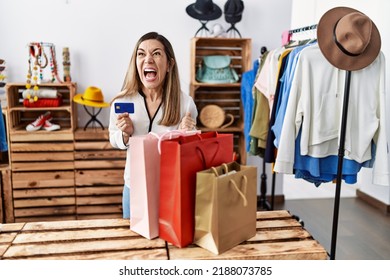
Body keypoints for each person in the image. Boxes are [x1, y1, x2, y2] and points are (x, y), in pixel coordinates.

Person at [109, 32, 198, 219]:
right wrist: (125, 135)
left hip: (172, 188)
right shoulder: (122, 100)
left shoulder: (185, 103)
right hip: (134, 188)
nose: (148, 59)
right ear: (136, 62)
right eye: (141, 54)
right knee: (136, 245)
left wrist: (186, 135)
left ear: (169, 64)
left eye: (156, 53)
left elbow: (193, 153)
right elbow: (113, 139)